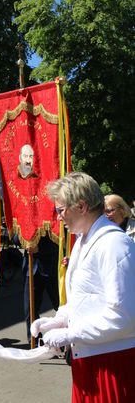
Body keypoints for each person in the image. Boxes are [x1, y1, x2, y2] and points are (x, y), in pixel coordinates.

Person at [32, 172, 135, 401]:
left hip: (111, 362)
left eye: (60, 210)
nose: (58, 217)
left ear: (81, 206)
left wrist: (70, 333)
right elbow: (85, 296)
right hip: (90, 356)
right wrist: (60, 318)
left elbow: (123, 316)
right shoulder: (83, 240)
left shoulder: (114, 244)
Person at [21, 235, 59, 342]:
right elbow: (15, 237)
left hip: (51, 267)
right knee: (30, 309)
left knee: (60, 306)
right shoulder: (26, 218)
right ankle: (34, 339)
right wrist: (25, 242)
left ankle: (64, 341)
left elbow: (60, 237)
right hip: (31, 268)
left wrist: (39, 248)